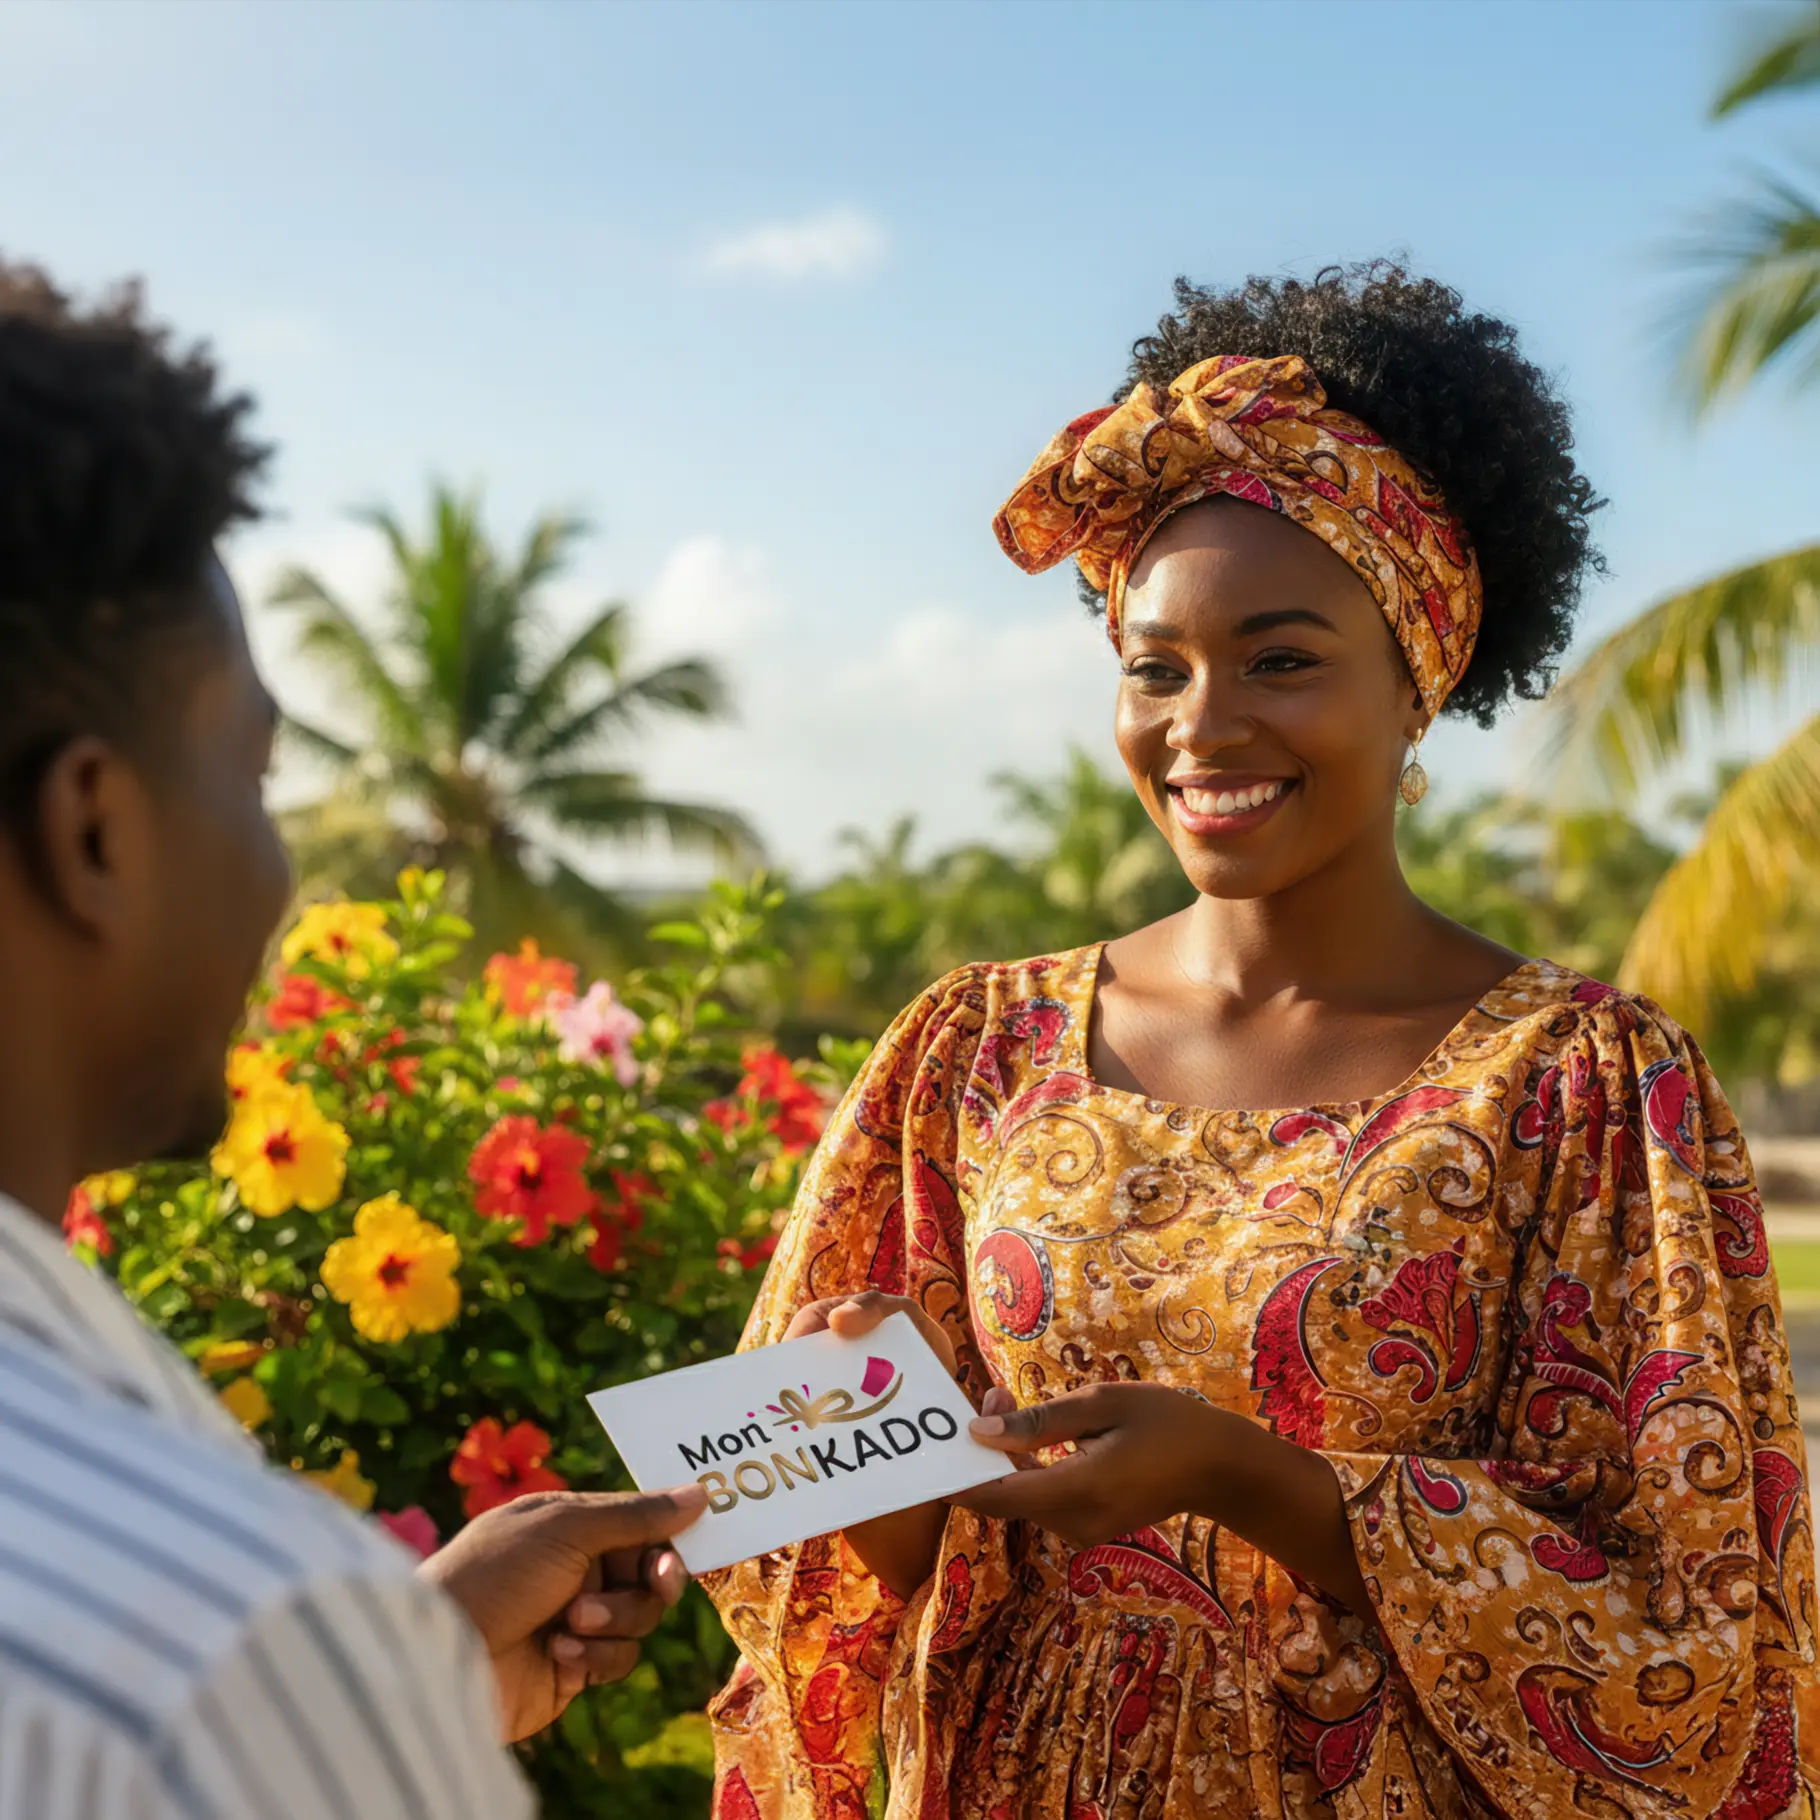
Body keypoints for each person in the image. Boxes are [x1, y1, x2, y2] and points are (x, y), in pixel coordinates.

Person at [702, 264, 1819, 1819]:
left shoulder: (1586, 1086)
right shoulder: (976, 1052)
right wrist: (869, 1450)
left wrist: (1251, 1480)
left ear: (1416, 682)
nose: (1202, 724)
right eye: (1154, 666)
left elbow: (1696, 1659)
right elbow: (835, 1596)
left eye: (1283, 660)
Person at [0, 260, 705, 1818]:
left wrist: (405, 1664)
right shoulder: (222, 1640)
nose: (279, 876)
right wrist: (336, 1686)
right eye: (253, 783)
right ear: (97, 830)